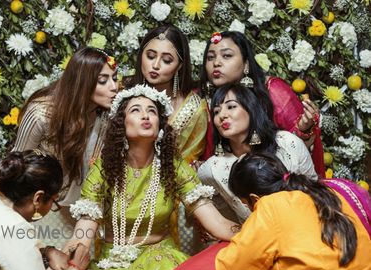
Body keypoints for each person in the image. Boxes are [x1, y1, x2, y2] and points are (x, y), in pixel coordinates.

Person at [66, 85, 239, 270]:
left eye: (152, 111)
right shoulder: (104, 168)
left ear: (160, 124)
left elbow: (217, 224)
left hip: (162, 261)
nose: (146, 115)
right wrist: (71, 268)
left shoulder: (173, 166)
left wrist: (257, 234)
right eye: (136, 110)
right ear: (121, 123)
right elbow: (83, 233)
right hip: (113, 264)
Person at [216, 152, 371, 270]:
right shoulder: (332, 192)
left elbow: (228, 269)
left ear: (254, 199)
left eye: (246, 204)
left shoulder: (271, 206)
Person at [200, 31, 325, 177]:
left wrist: (304, 130)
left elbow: (296, 153)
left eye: (227, 55)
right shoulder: (208, 102)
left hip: (282, 181)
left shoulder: (273, 90)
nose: (216, 63)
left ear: (246, 63)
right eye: (210, 58)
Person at [129, 24, 209, 253]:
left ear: (179, 66)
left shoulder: (193, 108)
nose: (155, 66)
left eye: (166, 60)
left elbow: (189, 161)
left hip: (170, 186)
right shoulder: (125, 93)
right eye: (150, 56)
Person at [13, 47, 118, 206]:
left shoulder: (107, 116)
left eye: (115, 78)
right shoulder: (42, 113)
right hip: (40, 203)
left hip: (86, 205)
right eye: (103, 81)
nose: (114, 87)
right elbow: (17, 164)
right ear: (82, 82)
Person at [198, 83, 317, 224]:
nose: (222, 116)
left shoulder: (287, 144)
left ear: (251, 109)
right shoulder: (212, 169)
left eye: (231, 107)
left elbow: (316, 193)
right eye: (216, 111)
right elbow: (222, 220)